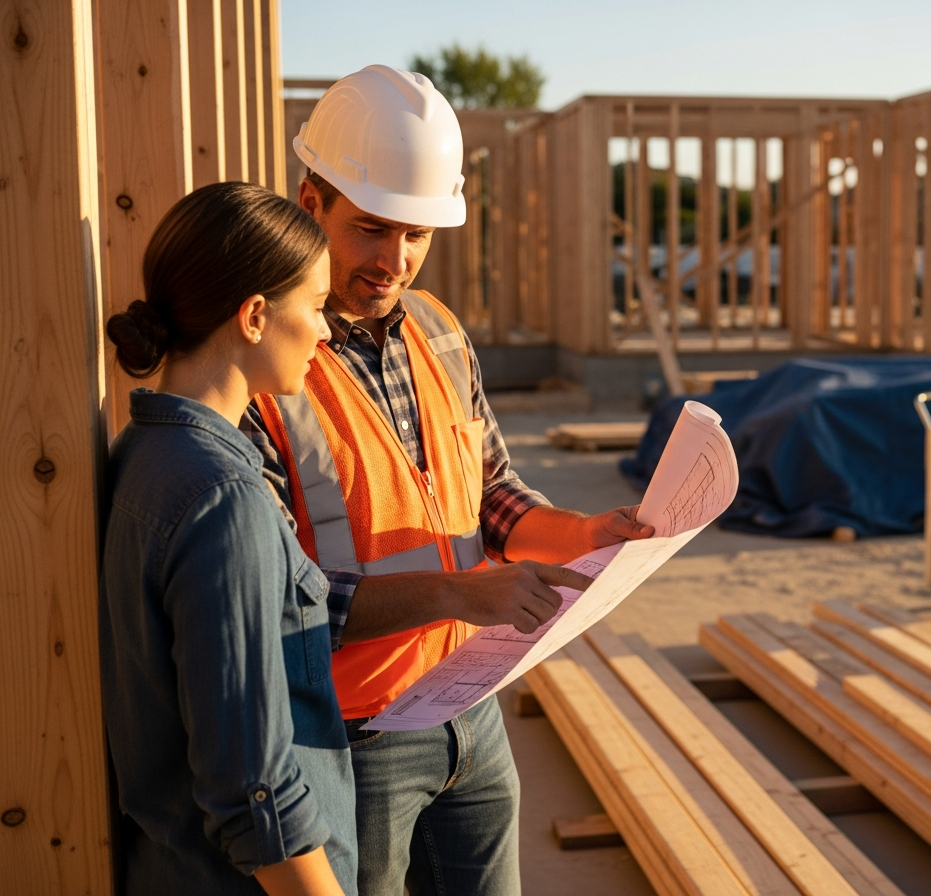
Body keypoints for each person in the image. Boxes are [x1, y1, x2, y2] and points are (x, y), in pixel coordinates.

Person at [241, 65, 652, 895]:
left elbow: (490, 492)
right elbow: (285, 603)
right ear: (310, 202)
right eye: (372, 229)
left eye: (418, 235)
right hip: (351, 733)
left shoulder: (436, 329)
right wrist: (464, 595)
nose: (395, 261)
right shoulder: (263, 363)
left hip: (469, 707)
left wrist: (585, 534)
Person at [100, 182, 356, 895]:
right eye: (317, 306)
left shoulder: (145, 452)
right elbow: (253, 792)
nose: (327, 332)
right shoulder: (223, 497)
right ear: (254, 316)